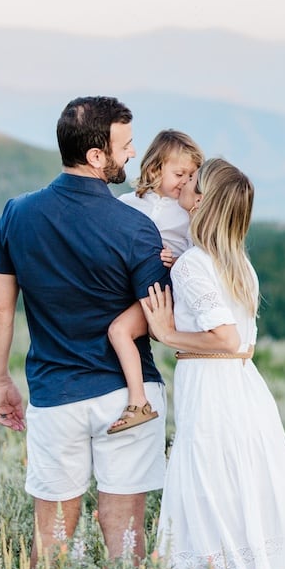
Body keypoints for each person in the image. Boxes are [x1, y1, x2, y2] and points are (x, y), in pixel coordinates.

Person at [139, 157, 285, 569]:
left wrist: (166, 333)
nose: (183, 185)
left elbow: (224, 336)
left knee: (207, 495)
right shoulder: (238, 263)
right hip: (244, 388)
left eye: (192, 183)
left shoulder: (191, 266)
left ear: (201, 202)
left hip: (213, 390)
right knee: (244, 494)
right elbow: (242, 340)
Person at [0, 96, 168, 566]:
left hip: (54, 393)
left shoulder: (16, 215)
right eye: (124, 146)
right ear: (95, 156)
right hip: (129, 395)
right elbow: (159, 321)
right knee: (125, 533)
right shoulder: (137, 227)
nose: (131, 154)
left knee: (52, 535)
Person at [106, 129, 205, 434]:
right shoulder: (127, 203)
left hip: (162, 290)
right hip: (132, 286)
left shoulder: (186, 213)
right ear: (154, 169)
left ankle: (139, 401)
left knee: (120, 330)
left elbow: (197, 251)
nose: (186, 182)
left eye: (191, 176)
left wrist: (178, 260)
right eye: (179, 173)